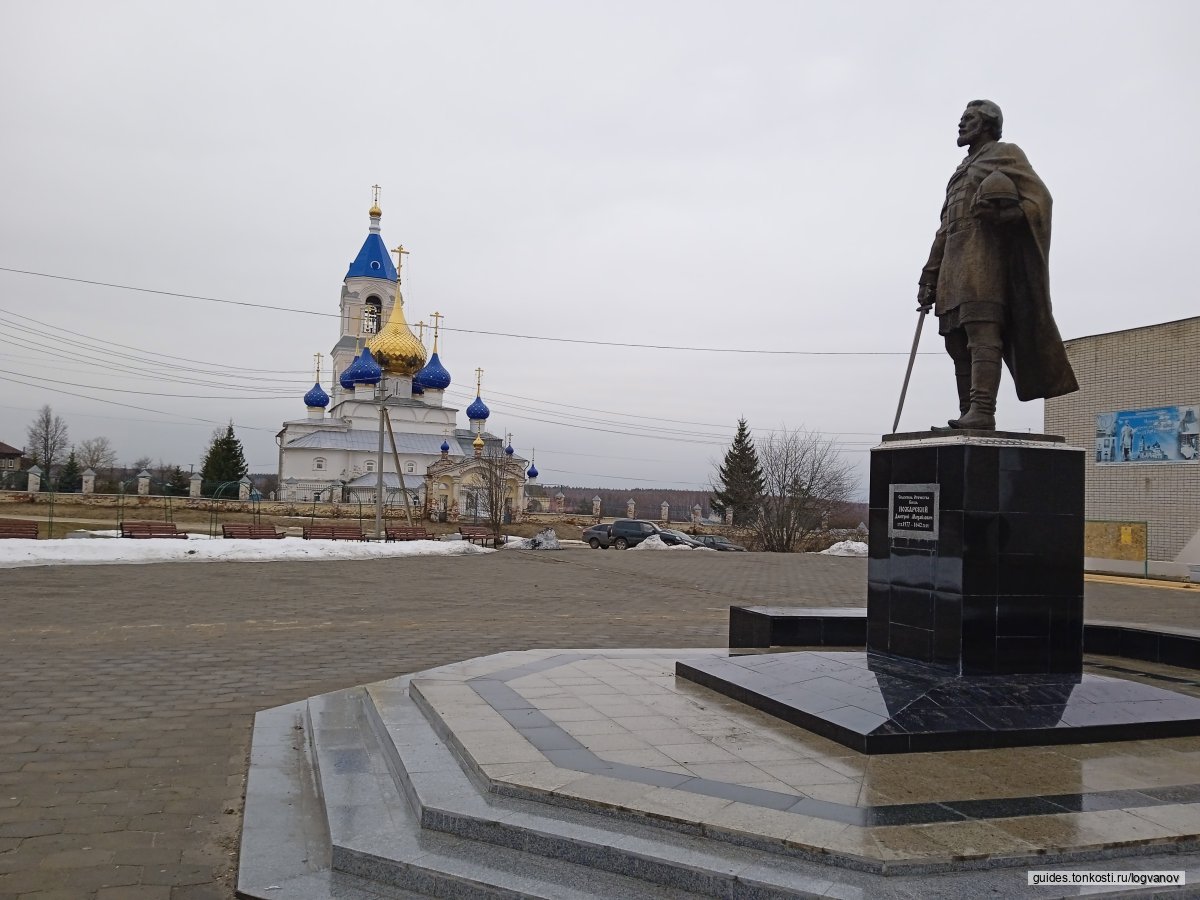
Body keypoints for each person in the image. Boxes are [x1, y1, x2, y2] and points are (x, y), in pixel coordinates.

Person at [918, 101, 1078, 430]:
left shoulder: (1006, 154)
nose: (960, 125)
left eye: (969, 120)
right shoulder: (959, 172)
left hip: (985, 261)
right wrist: (929, 276)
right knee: (956, 341)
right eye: (960, 119)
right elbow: (943, 229)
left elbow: (1039, 200)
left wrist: (1006, 214)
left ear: (988, 124)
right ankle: (967, 413)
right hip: (953, 265)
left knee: (982, 334)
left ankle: (982, 411)